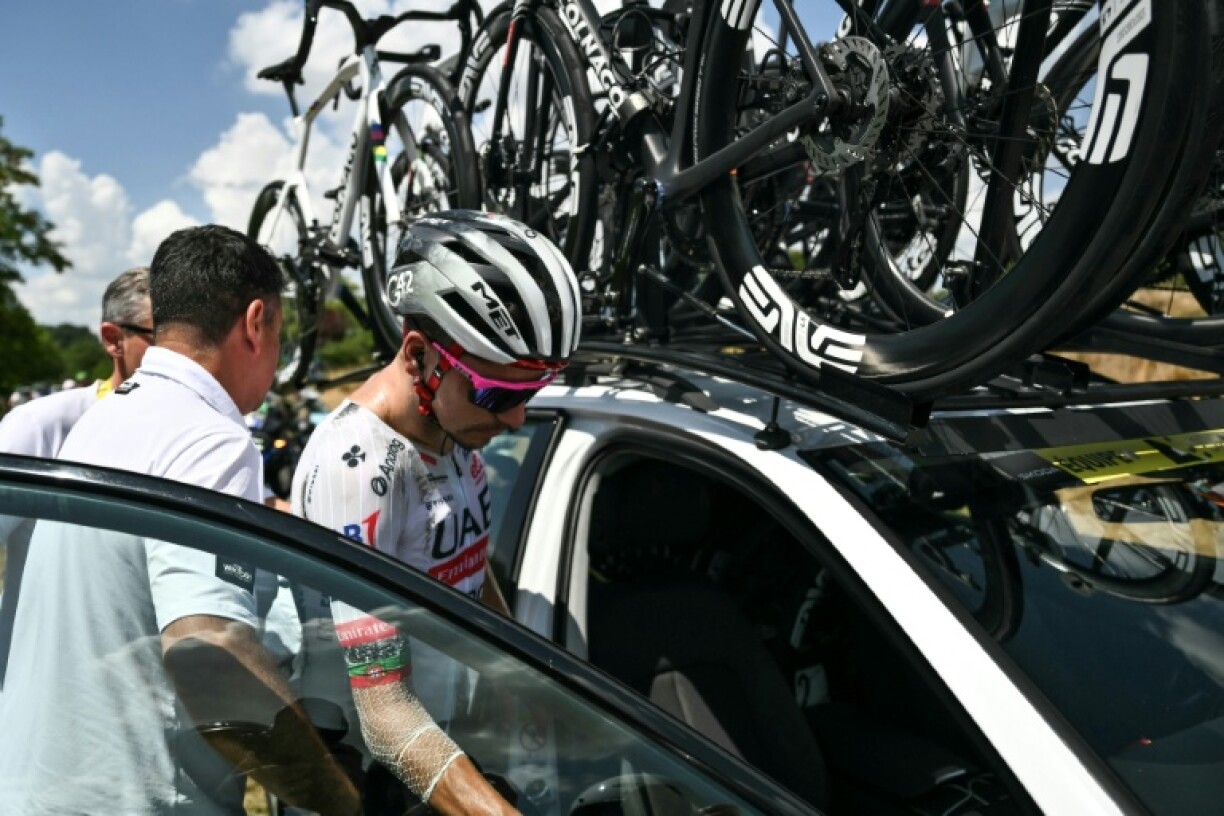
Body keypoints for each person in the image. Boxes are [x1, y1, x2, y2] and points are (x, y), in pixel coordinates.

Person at [0, 225, 358, 815]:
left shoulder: (108, 416)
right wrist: (335, 797)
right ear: (254, 322)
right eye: (280, 335)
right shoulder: (210, 438)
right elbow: (210, 652)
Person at [290, 210, 581, 814]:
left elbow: (469, 569)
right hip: (369, 777)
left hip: (440, 748)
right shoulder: (361, 469)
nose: (516, 420)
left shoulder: (453, 431)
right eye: (498, 395)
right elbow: (383, 714)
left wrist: (516, 678)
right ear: (419, 355)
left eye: (531, 394)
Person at [0, 266, 154, 689]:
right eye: (161, 340)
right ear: (113, 339)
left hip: (154, 698)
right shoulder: (38, 425)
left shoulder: (201, 434)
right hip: (41, 688)